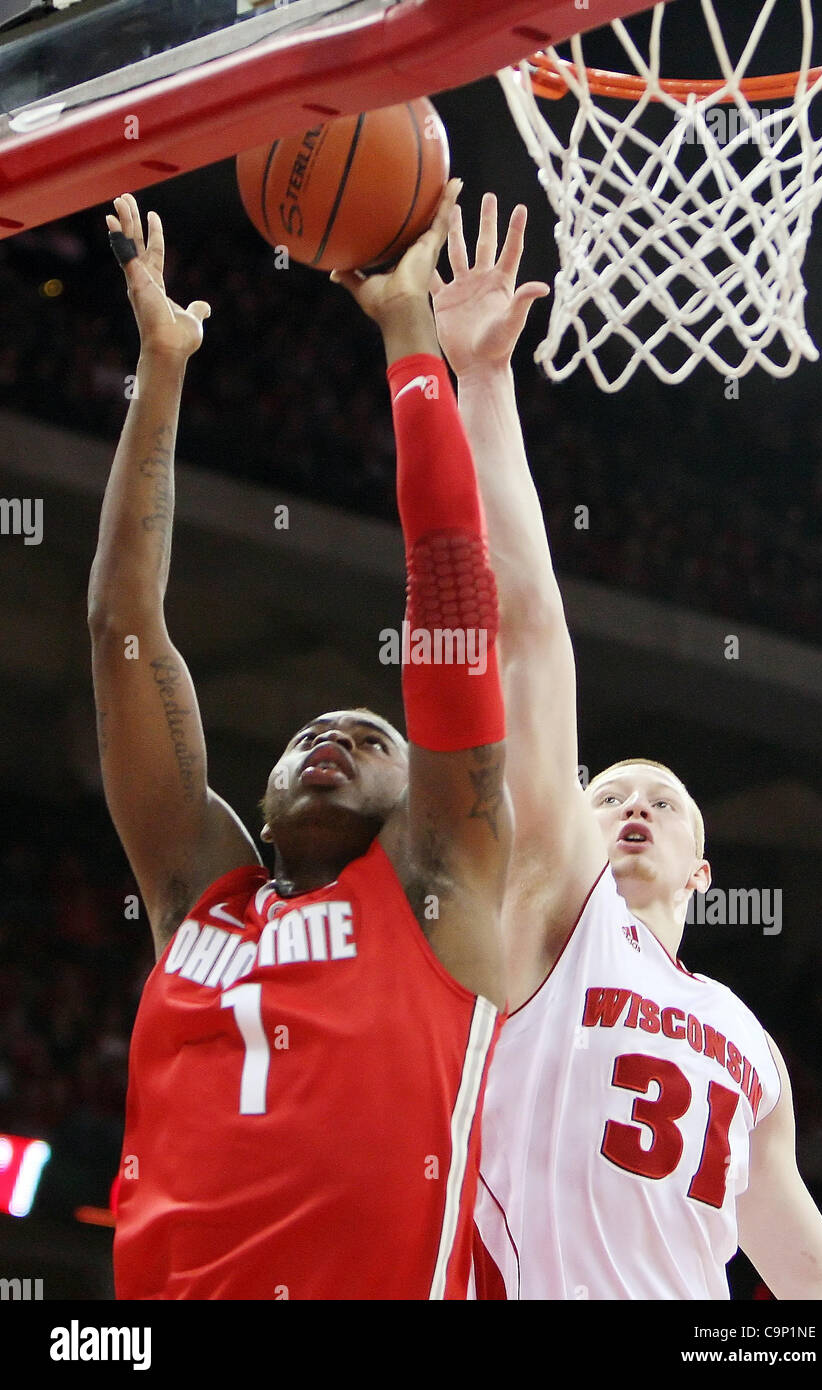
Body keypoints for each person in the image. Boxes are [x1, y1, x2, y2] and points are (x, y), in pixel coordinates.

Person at [431, 192, 822, 1300]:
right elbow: (527, 634)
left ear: (700, 872)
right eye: (608, 790)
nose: (631, 805)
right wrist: (479, 386)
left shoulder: (744, 1039)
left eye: (662, 801)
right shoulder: (550, 922)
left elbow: (813, 1278)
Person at [89, 186, 511, 1300]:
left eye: (369, 735)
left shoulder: (438, 884)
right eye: (305, 735)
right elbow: (122, 628)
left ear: (418, 787)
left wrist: (409, 336)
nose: (326, 737)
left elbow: (453, 597)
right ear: (260, 799)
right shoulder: (198, 897)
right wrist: (163, 367)